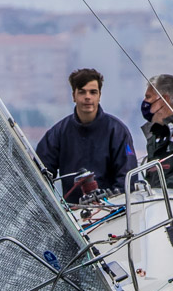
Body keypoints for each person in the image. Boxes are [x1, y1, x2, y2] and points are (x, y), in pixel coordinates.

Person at [36, 68, 137, 198]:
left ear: (99, 96)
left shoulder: (118, 132)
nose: (87, 97)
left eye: (93, 92)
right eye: (82, 92)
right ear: (74, 96)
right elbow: (39, 176)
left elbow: (128, 178)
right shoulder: (58, 133)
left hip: (114, 207)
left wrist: (112, 201)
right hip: (72, 209)